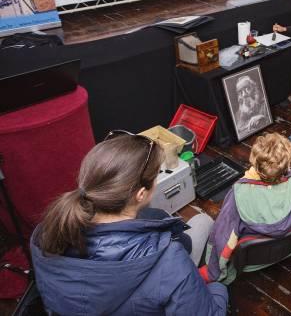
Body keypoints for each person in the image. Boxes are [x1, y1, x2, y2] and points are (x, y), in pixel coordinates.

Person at [31, 133, 228, 315]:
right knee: (202, 221)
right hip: (169, 275)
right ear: (141, 194)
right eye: (156, 175)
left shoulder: (46, 234)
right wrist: (218, 289)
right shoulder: (169, 259)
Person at [204, 133, 291, 284]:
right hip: (289, 250)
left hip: (250, 262)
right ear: (288, 165)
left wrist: (214, 272)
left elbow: (221, 240)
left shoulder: (238, 198)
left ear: (255, 165)